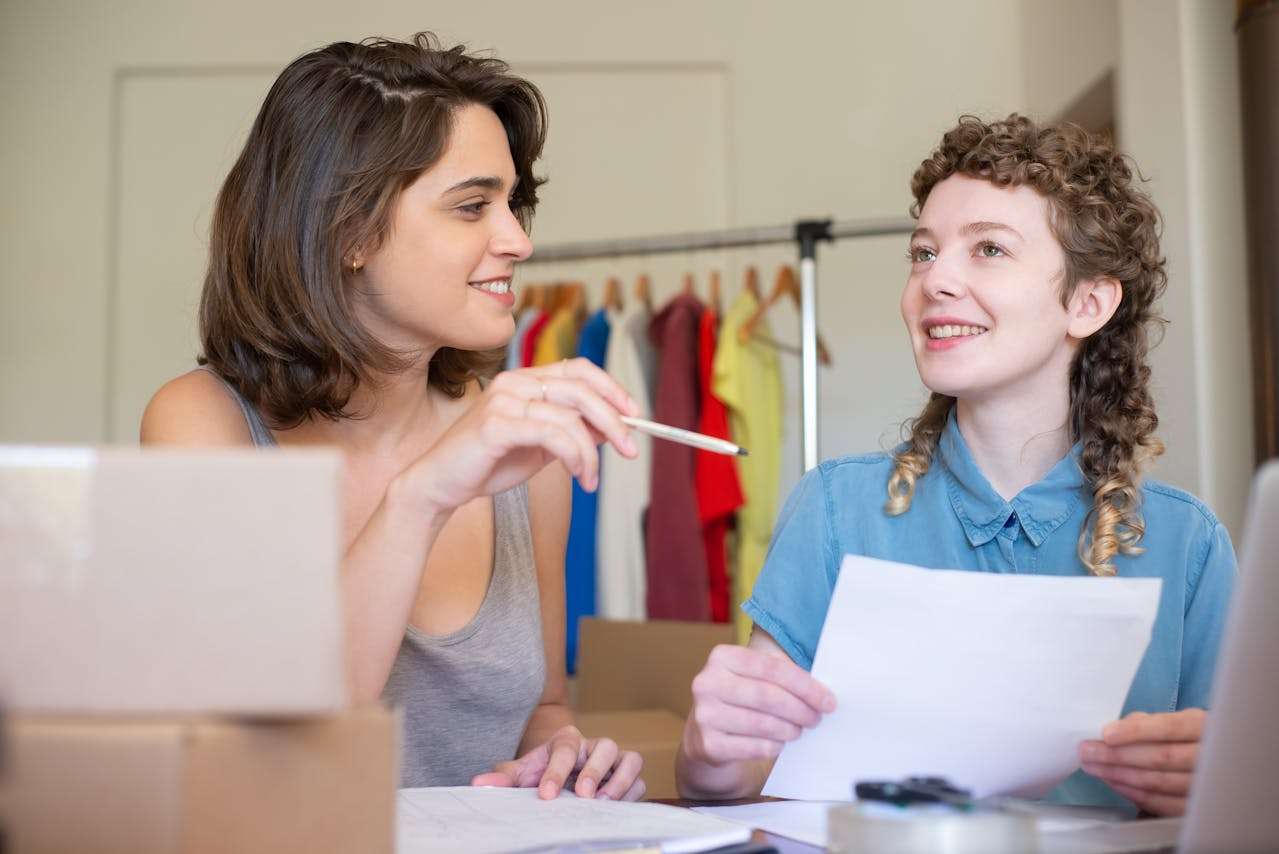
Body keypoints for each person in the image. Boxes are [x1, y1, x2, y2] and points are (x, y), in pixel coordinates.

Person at [675, 114, 1236, 817]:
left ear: (1087, 302)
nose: (934, 279)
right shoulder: (831, 511)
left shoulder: (1189, 547)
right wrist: (708, 753)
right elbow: (730, 780)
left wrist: (1223, 783)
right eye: (922, 252)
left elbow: (1243, 802)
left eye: (988, 250)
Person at [141, 33, 646, 801]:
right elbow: (267, 747)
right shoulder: (201, 425)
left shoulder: (521, 454)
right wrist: (424, 493)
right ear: (349, 231)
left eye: (513, 205)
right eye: (473, 206)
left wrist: (564, 758)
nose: (517, 240)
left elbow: (542, 710)